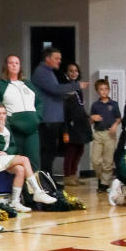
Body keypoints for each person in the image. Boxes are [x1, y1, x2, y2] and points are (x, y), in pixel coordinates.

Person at [0, 105, 49, 214]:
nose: (1, 116)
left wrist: (7, 153)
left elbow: (13, 146)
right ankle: (37, 191)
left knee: (20, 169)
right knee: (24, 160)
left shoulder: (7, 126)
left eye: (3, 113)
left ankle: (15, 202)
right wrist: (0, 132)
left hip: (4, 159)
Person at [30, 47, 79, 176]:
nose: (59, 61)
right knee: (48, 151)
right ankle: (46, 179)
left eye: (60, 59)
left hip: (53, 118)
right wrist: (77, 85)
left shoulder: (48, 72)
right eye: (56, 58)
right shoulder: (42, 72)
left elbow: (52, 92)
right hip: (48, 119)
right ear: (47, 58)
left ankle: (48, 179)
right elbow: (55, 89)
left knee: (51, 151)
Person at [0, 55, 42, 169]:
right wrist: (7, 122)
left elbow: (39, 102)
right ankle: (18, 186)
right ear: (6, 66)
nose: (14, 65)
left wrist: (37, 118)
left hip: (32, 130)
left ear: (20, 66)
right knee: (17, 162)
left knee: (34, 161)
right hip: (14, 130)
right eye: (11, 63)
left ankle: (33, 186)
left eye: (16, 63)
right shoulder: (0, 86)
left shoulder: (27, 84)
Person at [60, 60, 91, 188]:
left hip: (80, 123)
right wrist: (65, 129)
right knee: (71, 150)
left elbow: (80, 106)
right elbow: (65, 109)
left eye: (76, 71)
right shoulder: (66, 87)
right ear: (67, 73)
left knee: (80, 149)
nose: (74, 73)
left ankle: (73, 175)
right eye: (71, 71)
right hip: (70, 123)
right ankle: (67, 176)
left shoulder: (78, 89)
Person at [89, 77, 122, 186]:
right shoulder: (95, 105)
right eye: (101, 89)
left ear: (109, 90)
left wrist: (114, 126)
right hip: (98, 134)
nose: (104, 91)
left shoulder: (114, 104)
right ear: (97, 91)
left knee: (108, 161)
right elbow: (90, 121)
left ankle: (104, 184)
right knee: (95, 160)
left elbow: (118, 118)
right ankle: (100, 178)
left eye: (106, 89)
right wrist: (92, 118)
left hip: (110, 135)